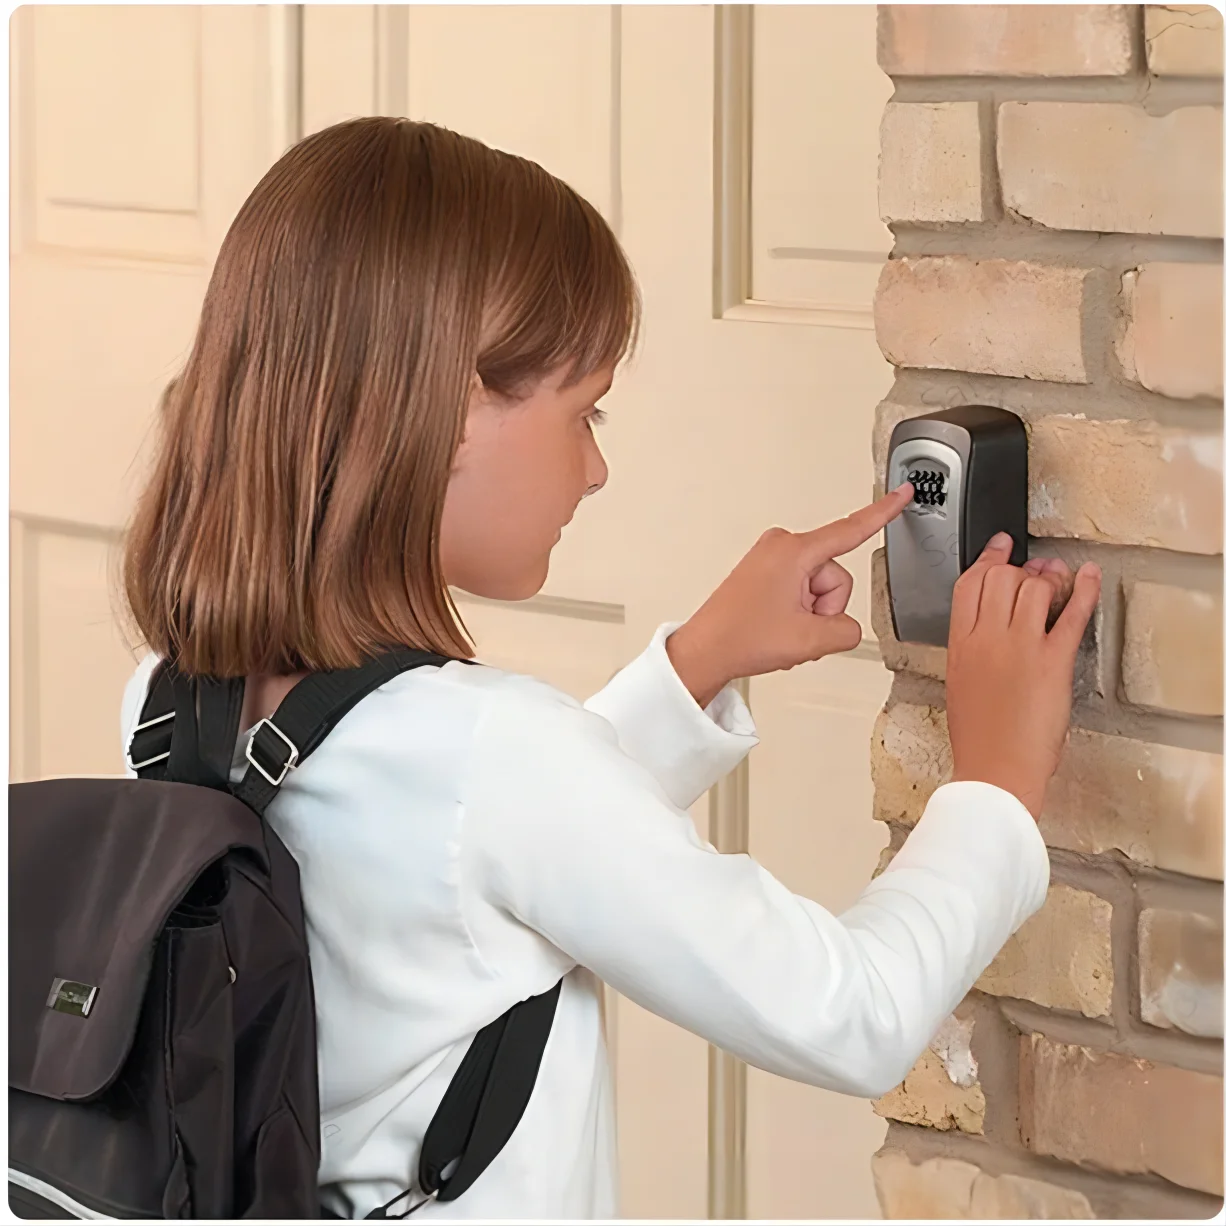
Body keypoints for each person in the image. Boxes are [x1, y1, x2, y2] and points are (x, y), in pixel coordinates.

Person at [118, 117, 1101, 1220]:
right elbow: (856, 1012)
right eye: (582, 410)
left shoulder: (169, 698)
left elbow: (451, 868)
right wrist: (994, 785)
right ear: (446, 411)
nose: (595, 467)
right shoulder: (500, 762)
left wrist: (694, 665)